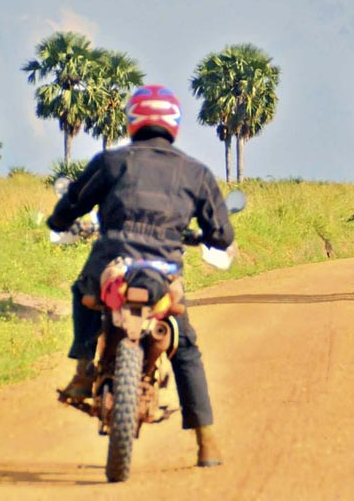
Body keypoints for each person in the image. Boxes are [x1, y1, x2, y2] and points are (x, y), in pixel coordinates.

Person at [46, 84, 234, 468]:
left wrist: (59, 219)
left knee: (84, 293)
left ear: (133, 120)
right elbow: (222, 234)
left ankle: (83, 367)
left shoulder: (111, 162)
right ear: (174, 124)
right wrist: (203, 236)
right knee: (185, 346)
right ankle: (207, 441)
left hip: (110, 264)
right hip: (163, 273)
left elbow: (72, 203)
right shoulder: (195, 171)